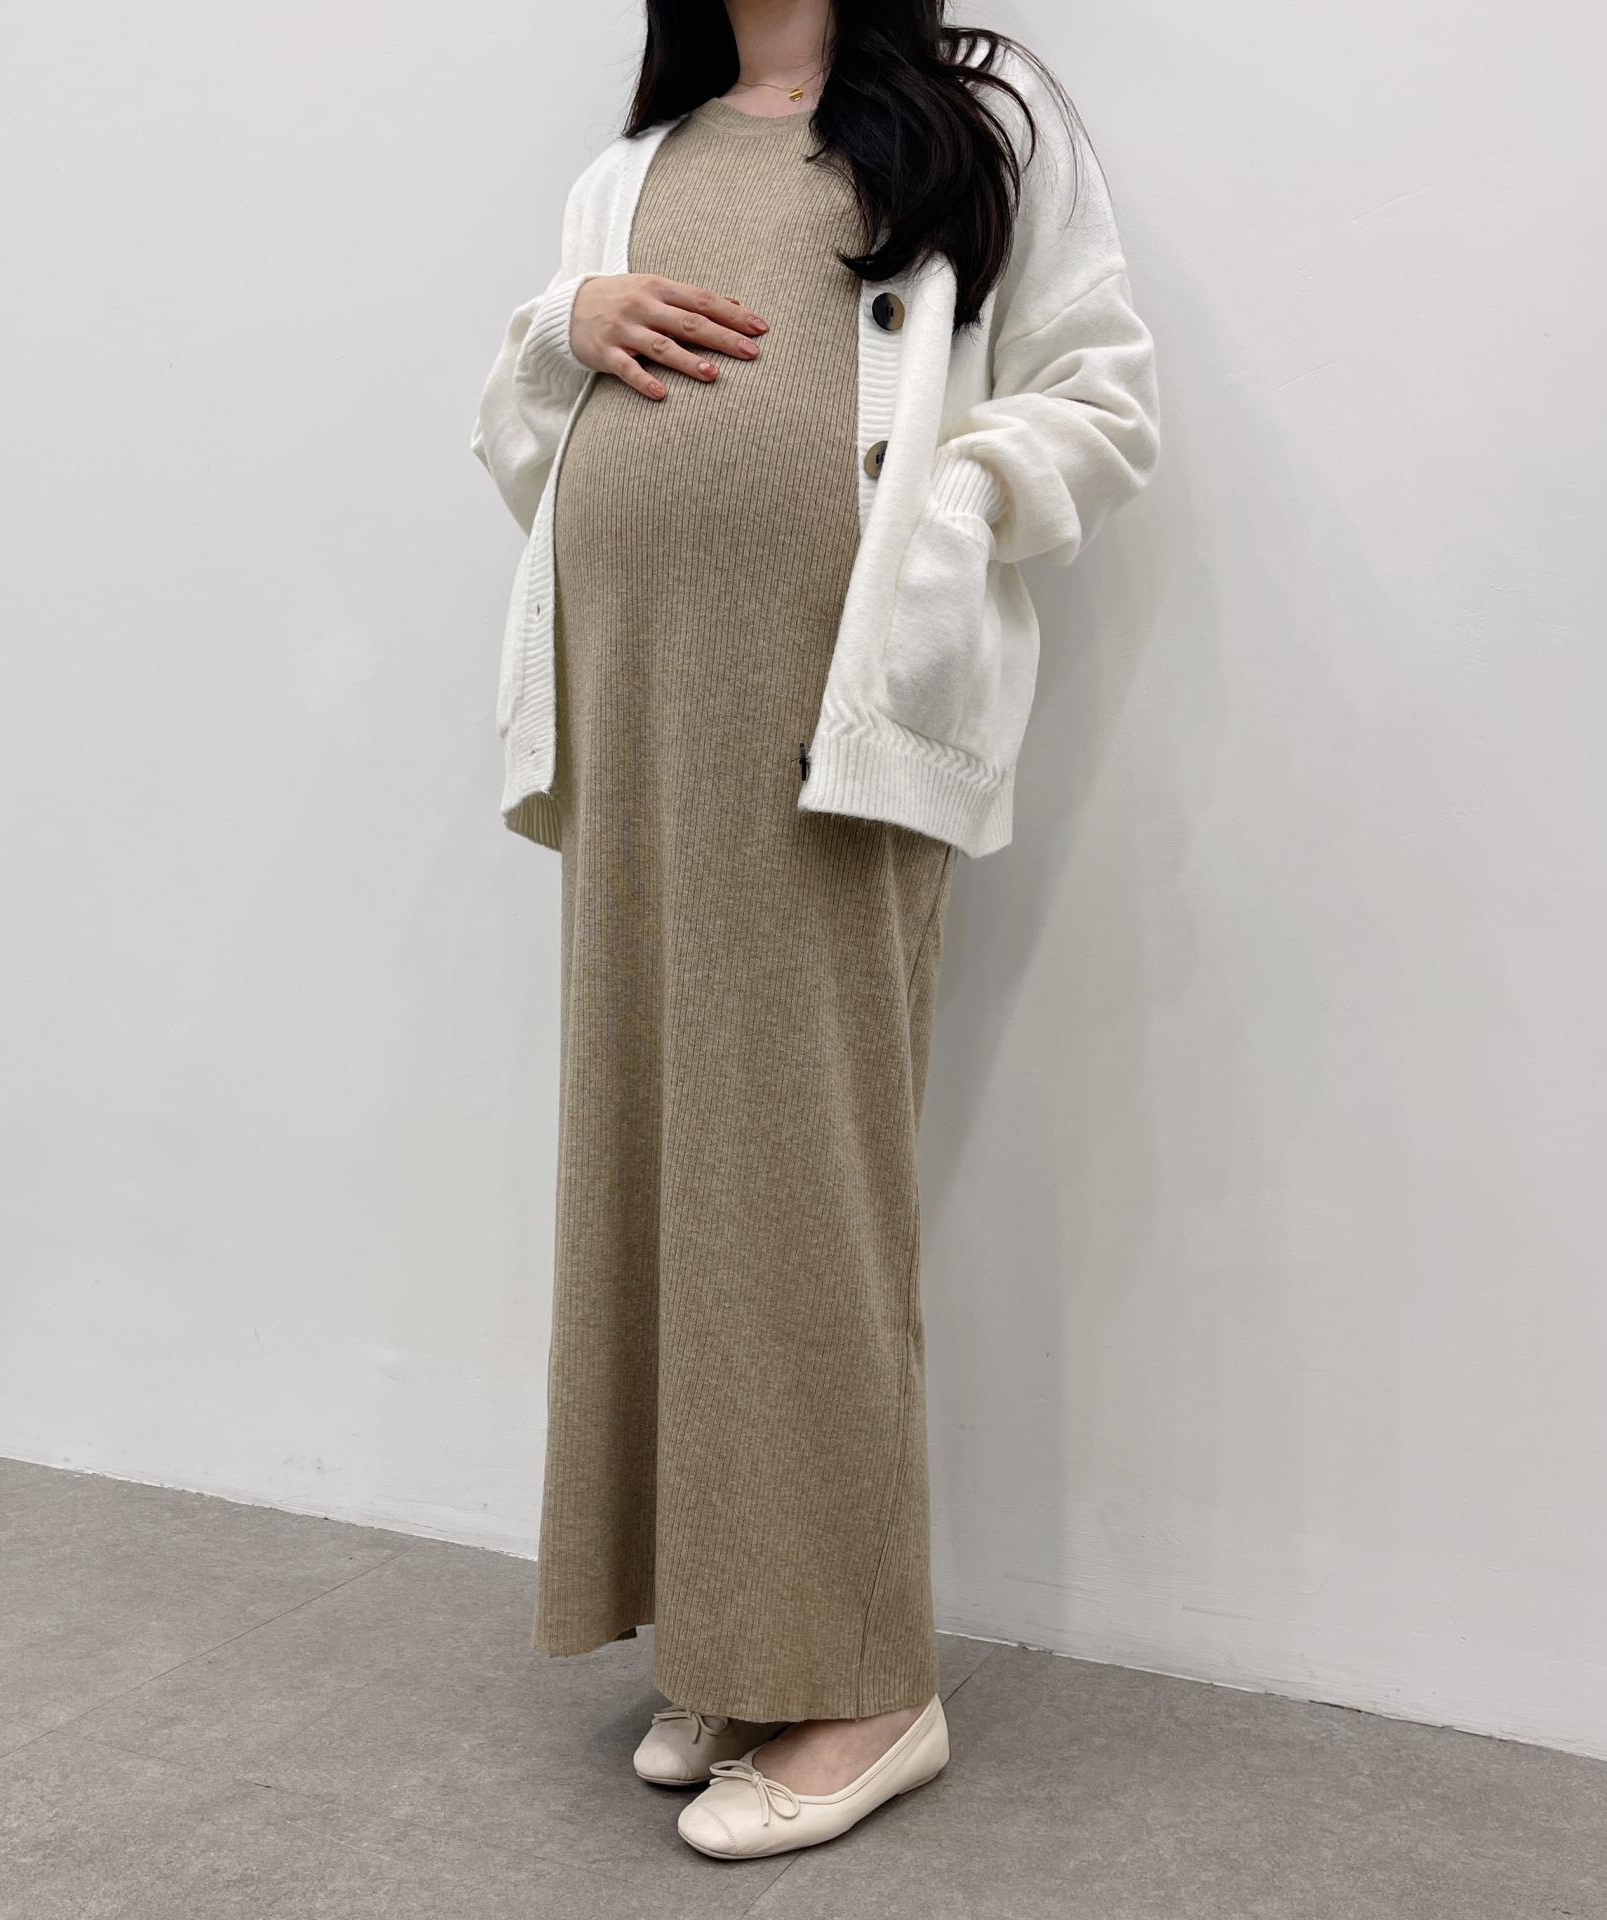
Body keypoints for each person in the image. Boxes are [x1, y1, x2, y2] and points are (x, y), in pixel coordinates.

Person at [469, 0, 1159, 1861]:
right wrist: (563, 327)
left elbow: (1103, 399)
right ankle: (736, 1636)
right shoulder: (640, 162)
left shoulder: (977, 110)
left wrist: (940, 508)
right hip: (633, 713)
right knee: (662, 1176)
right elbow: (532, 452)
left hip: (830, 721)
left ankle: (864, 1676)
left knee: (801, 1185)